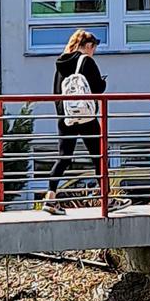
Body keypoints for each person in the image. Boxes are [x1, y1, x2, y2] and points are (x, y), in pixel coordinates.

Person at [44, 26, 105, 209]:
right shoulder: (86, 61)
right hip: (86, 117)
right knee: (99, 155)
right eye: (93, 47)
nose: (94, 52)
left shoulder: (60, 63)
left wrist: (63, 115)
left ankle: (50, 196)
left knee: (64, 157)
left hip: (66, 117)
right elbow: (97, 89)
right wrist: (103, 82)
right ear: (87, 45)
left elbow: (56, 92)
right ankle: (106, 200)